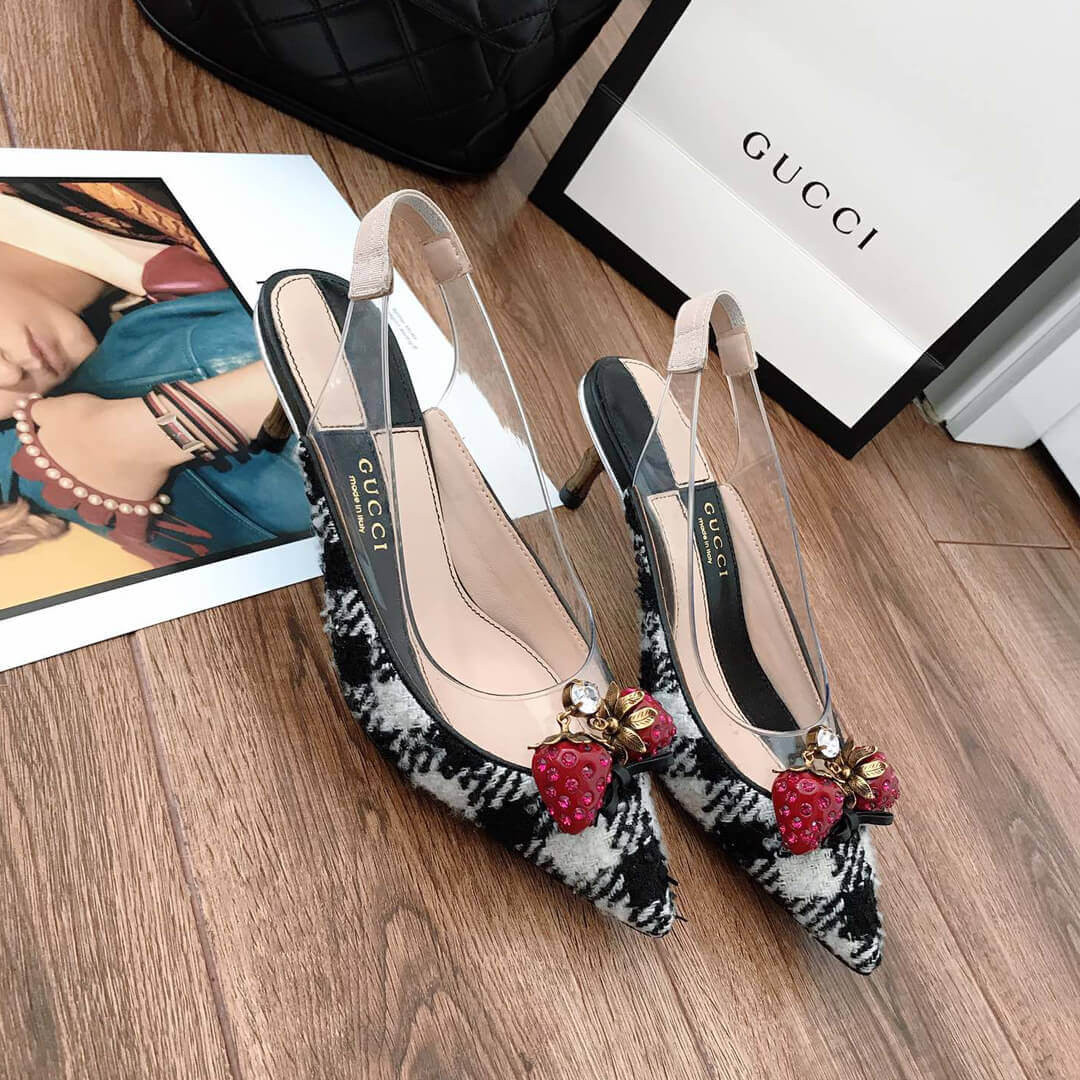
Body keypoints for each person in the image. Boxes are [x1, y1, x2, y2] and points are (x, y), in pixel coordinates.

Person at [0, 184, 309, 566]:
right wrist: (144, 434)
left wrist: (147, 434)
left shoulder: (82, 177)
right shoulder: (145, 345)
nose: (9, 372)